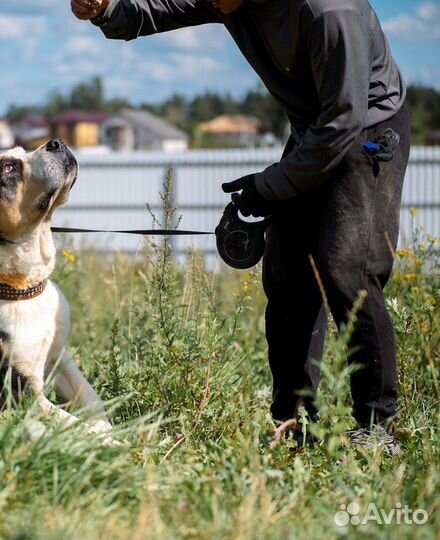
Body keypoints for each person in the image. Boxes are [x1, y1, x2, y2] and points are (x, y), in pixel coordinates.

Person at [72, 0, 410, 454]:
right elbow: (157, 10)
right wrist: (105, 9)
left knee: (347, 268)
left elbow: (343, 124)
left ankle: (376, 426)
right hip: (316, 130)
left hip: (366, 129)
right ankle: (294, 424)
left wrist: (266, 187)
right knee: (287, 270)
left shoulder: (330, 12)